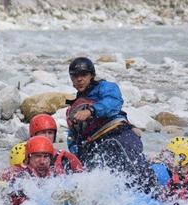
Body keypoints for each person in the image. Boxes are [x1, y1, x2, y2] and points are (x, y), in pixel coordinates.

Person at [65, 56, 157, 194]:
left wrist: (91, 111)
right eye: (75, 76)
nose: (79, 79)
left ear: (92, 75)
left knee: (137, 170)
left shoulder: (106, 88)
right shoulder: (73, 108)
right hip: (96, 146)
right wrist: (76, 158)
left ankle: (154, 194)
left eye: (84, 75)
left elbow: (114, 102)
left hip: (118, 135)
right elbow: (73, 137)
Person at [0, 136, 60, 205]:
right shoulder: (19, 176)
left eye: (46, 156)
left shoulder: (54, 174)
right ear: (28, 159)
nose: (42, 161)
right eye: (37, 156)